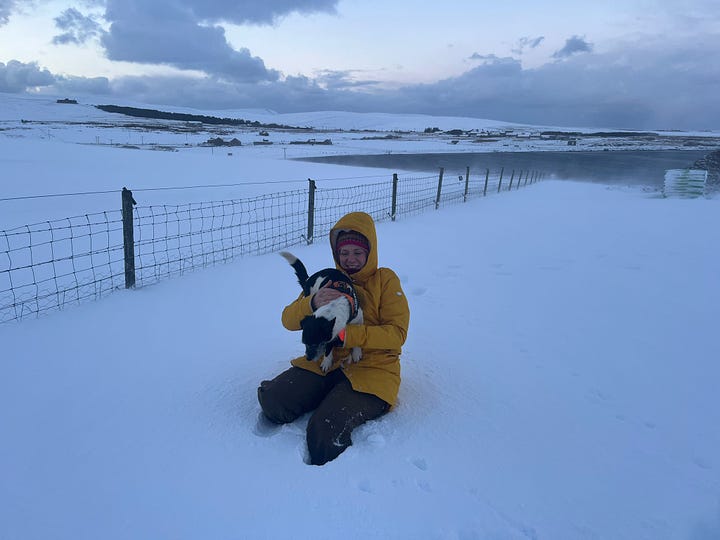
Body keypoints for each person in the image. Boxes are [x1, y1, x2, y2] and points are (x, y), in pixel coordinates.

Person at [257, 211, 410, 465]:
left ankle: (332, 480)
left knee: (324, 432)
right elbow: (287, 320)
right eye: (344, 253)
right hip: (326, 364)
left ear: (370, 252)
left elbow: (397, 334)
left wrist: (347, 335)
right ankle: (322, 392)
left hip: (373, 370)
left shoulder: (385, 280)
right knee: (274, 401)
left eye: (358, 253)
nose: (350, 259)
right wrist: (311, 302)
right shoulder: (327, 280)